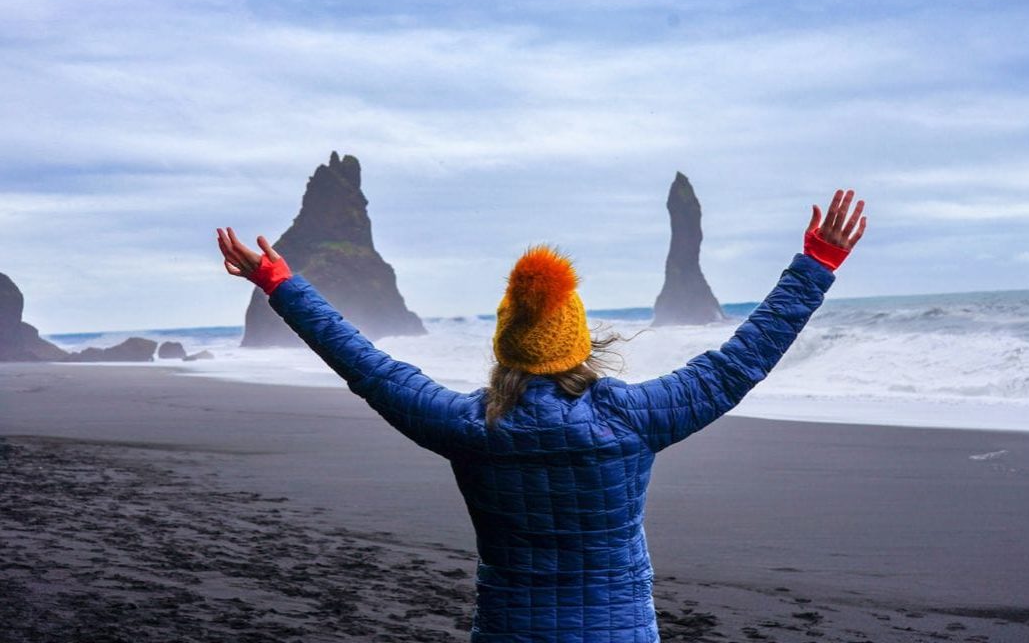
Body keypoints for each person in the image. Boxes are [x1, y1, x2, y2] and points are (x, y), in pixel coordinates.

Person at [217, 189, 866, 643]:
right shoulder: (634, 418)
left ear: (507, 345)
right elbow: (737, 363)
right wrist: (816, 264)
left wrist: (280, 284)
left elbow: (365, 363)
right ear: (578, 343)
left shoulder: (469, 426)